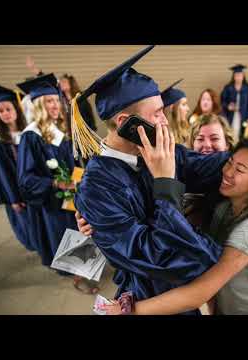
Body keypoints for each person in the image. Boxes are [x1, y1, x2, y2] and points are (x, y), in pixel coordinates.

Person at [72, 46, 229, 315]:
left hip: (185, 296)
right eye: (156, 113)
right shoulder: (96, 189)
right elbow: (163, 258)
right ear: (126, 122)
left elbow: (208, 167)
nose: (164, 122)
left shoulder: (154, 151)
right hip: (148, 300)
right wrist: (165, 181)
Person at [101, 132, 248, 315]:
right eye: (230, 162)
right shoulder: (224, 206)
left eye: (240, 170)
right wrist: (103, 222)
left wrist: (131, 310)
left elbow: (200, 292)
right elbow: (172, 225)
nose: (227, 172)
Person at [16, 73, 80, 275]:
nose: (55, 105)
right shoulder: (31, 136)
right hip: (52, 202)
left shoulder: (60, 129)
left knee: (78, 229)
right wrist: (56, 184)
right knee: (61, 233)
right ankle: (74, 275)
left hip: (72, 195)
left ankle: (82, 269)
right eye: (49, 101)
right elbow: (25, 179)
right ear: (39, 106)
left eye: (56, 100)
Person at [0, 85, 35, 252]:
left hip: (35, 188)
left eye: (8, 109)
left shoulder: (27, 133)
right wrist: (13, 199)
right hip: (18, 193)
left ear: (16, 109)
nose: (5, 113)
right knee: (28, 226)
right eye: (0, 111)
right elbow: (2, 174)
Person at [221, 64, 248, 140]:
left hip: (243, 115)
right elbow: (222, 101)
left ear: (243, 76)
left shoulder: (247, 88)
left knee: (242, 133)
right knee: (230, 132)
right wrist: (228, 106)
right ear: (233, 77)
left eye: (240, 75)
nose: (238, 77)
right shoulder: (228, 88)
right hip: (230, 115)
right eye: (236, 75)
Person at [161, 79, 190, 145]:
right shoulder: (162, 137)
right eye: (184, 104)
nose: (188, 109)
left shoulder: (186, 133)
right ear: (172, 108)